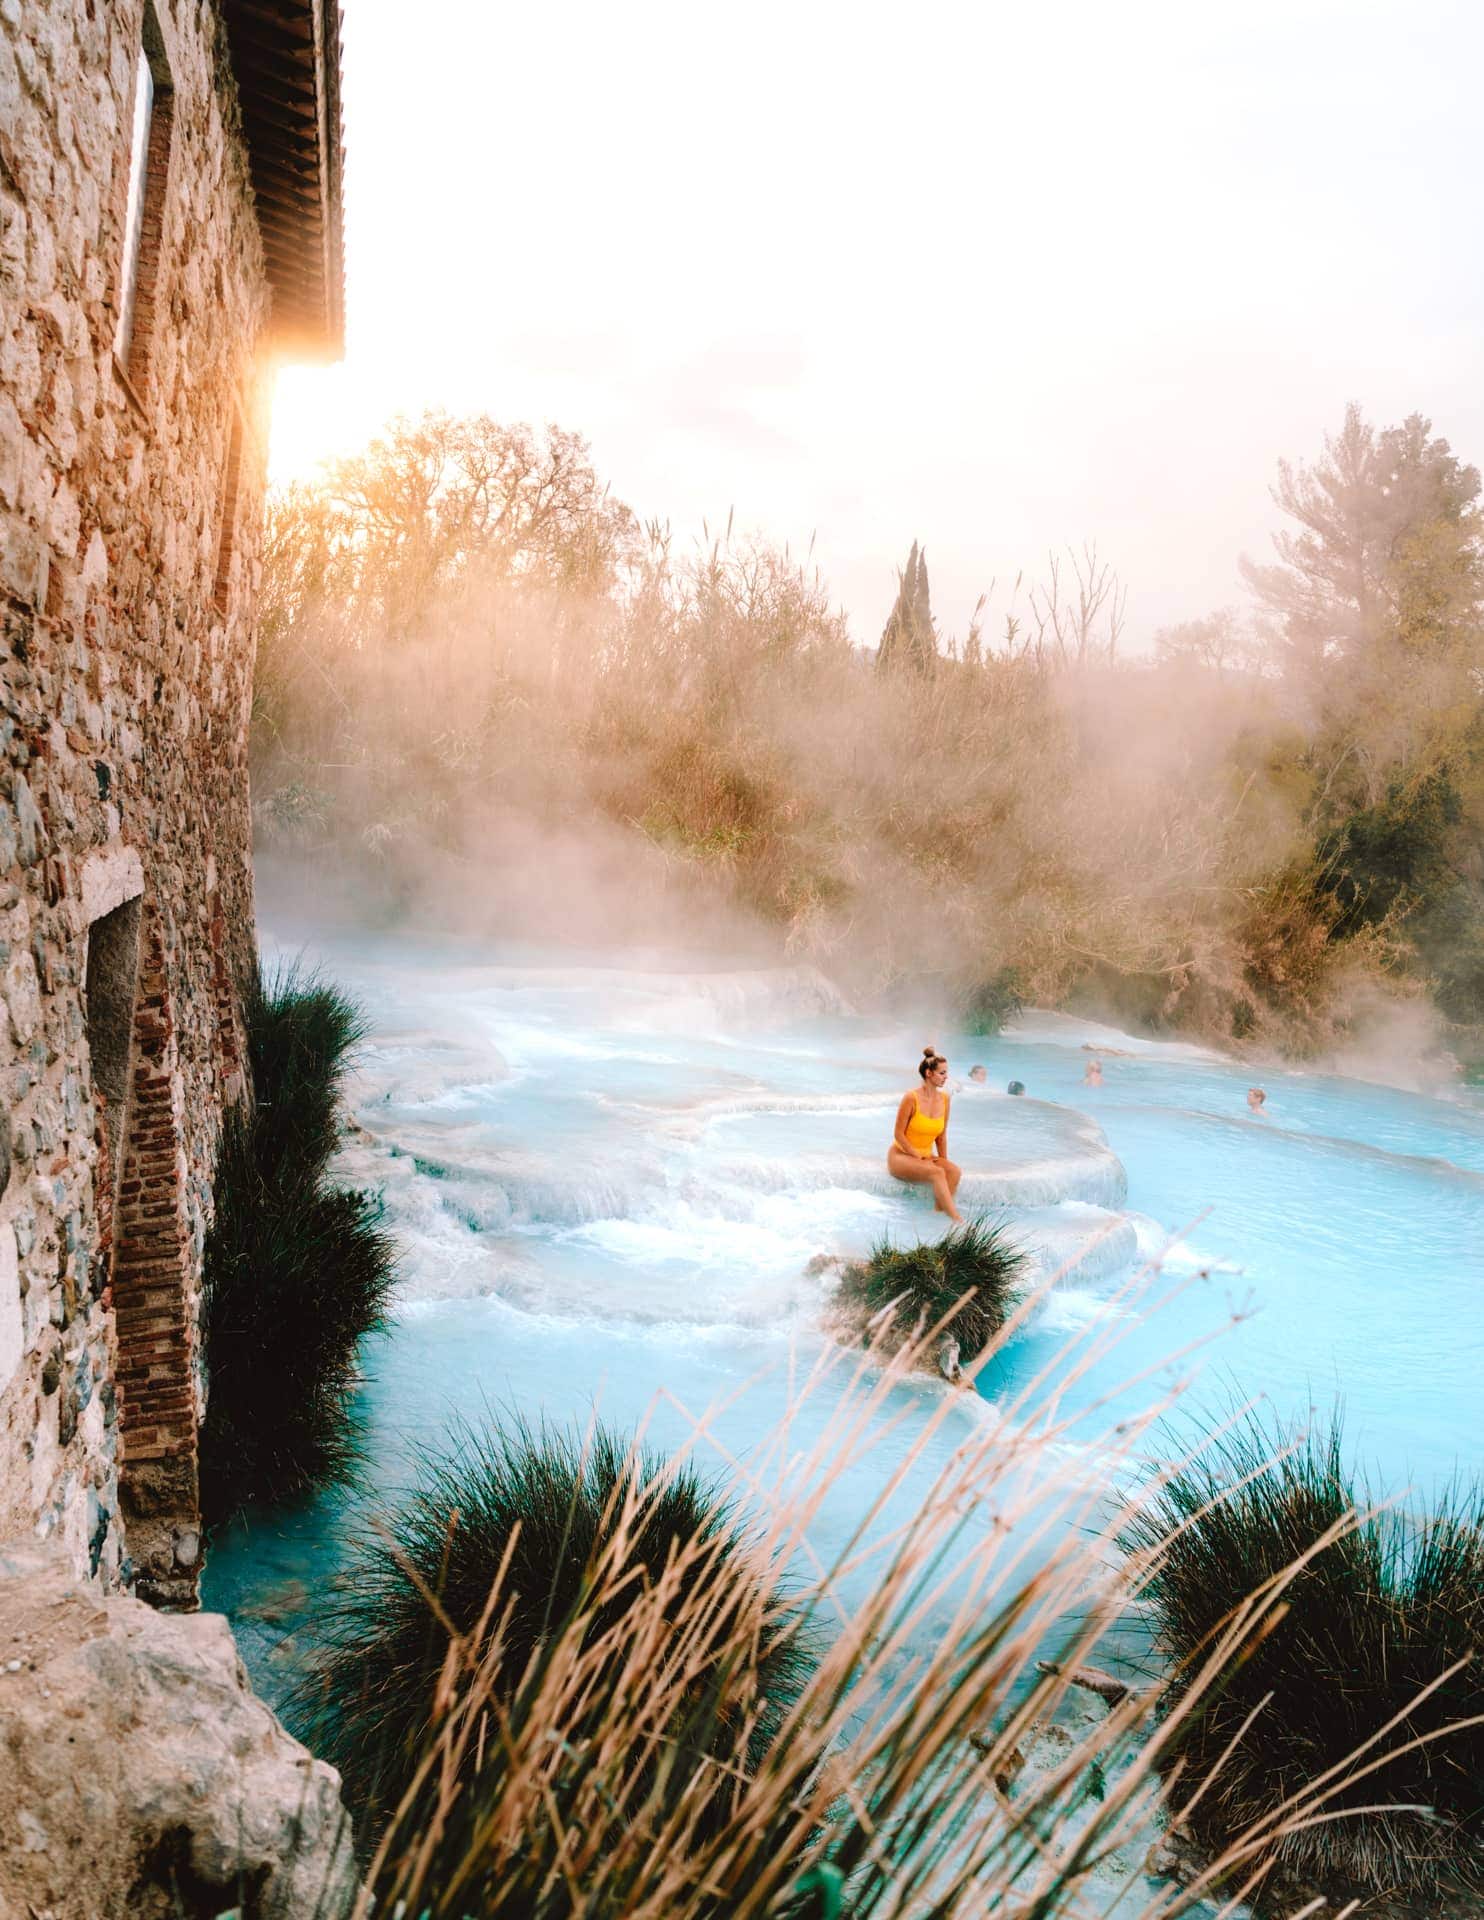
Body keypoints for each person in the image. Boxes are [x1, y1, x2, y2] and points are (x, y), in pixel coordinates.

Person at [889, 1046, 963, 1220]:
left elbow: (941, 1136)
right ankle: (958, 1221)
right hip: (901, 1155)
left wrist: (943, 1160)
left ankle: (937, 1216)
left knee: (954, 1171)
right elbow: (898, 1134)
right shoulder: (911, 1098)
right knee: (936, 1172)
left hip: (926, 1156)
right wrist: (916, 1155)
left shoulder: (945, 1099)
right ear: (929, 1073)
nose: (946, 1077)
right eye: (942, 1073)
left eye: (946, 1072)